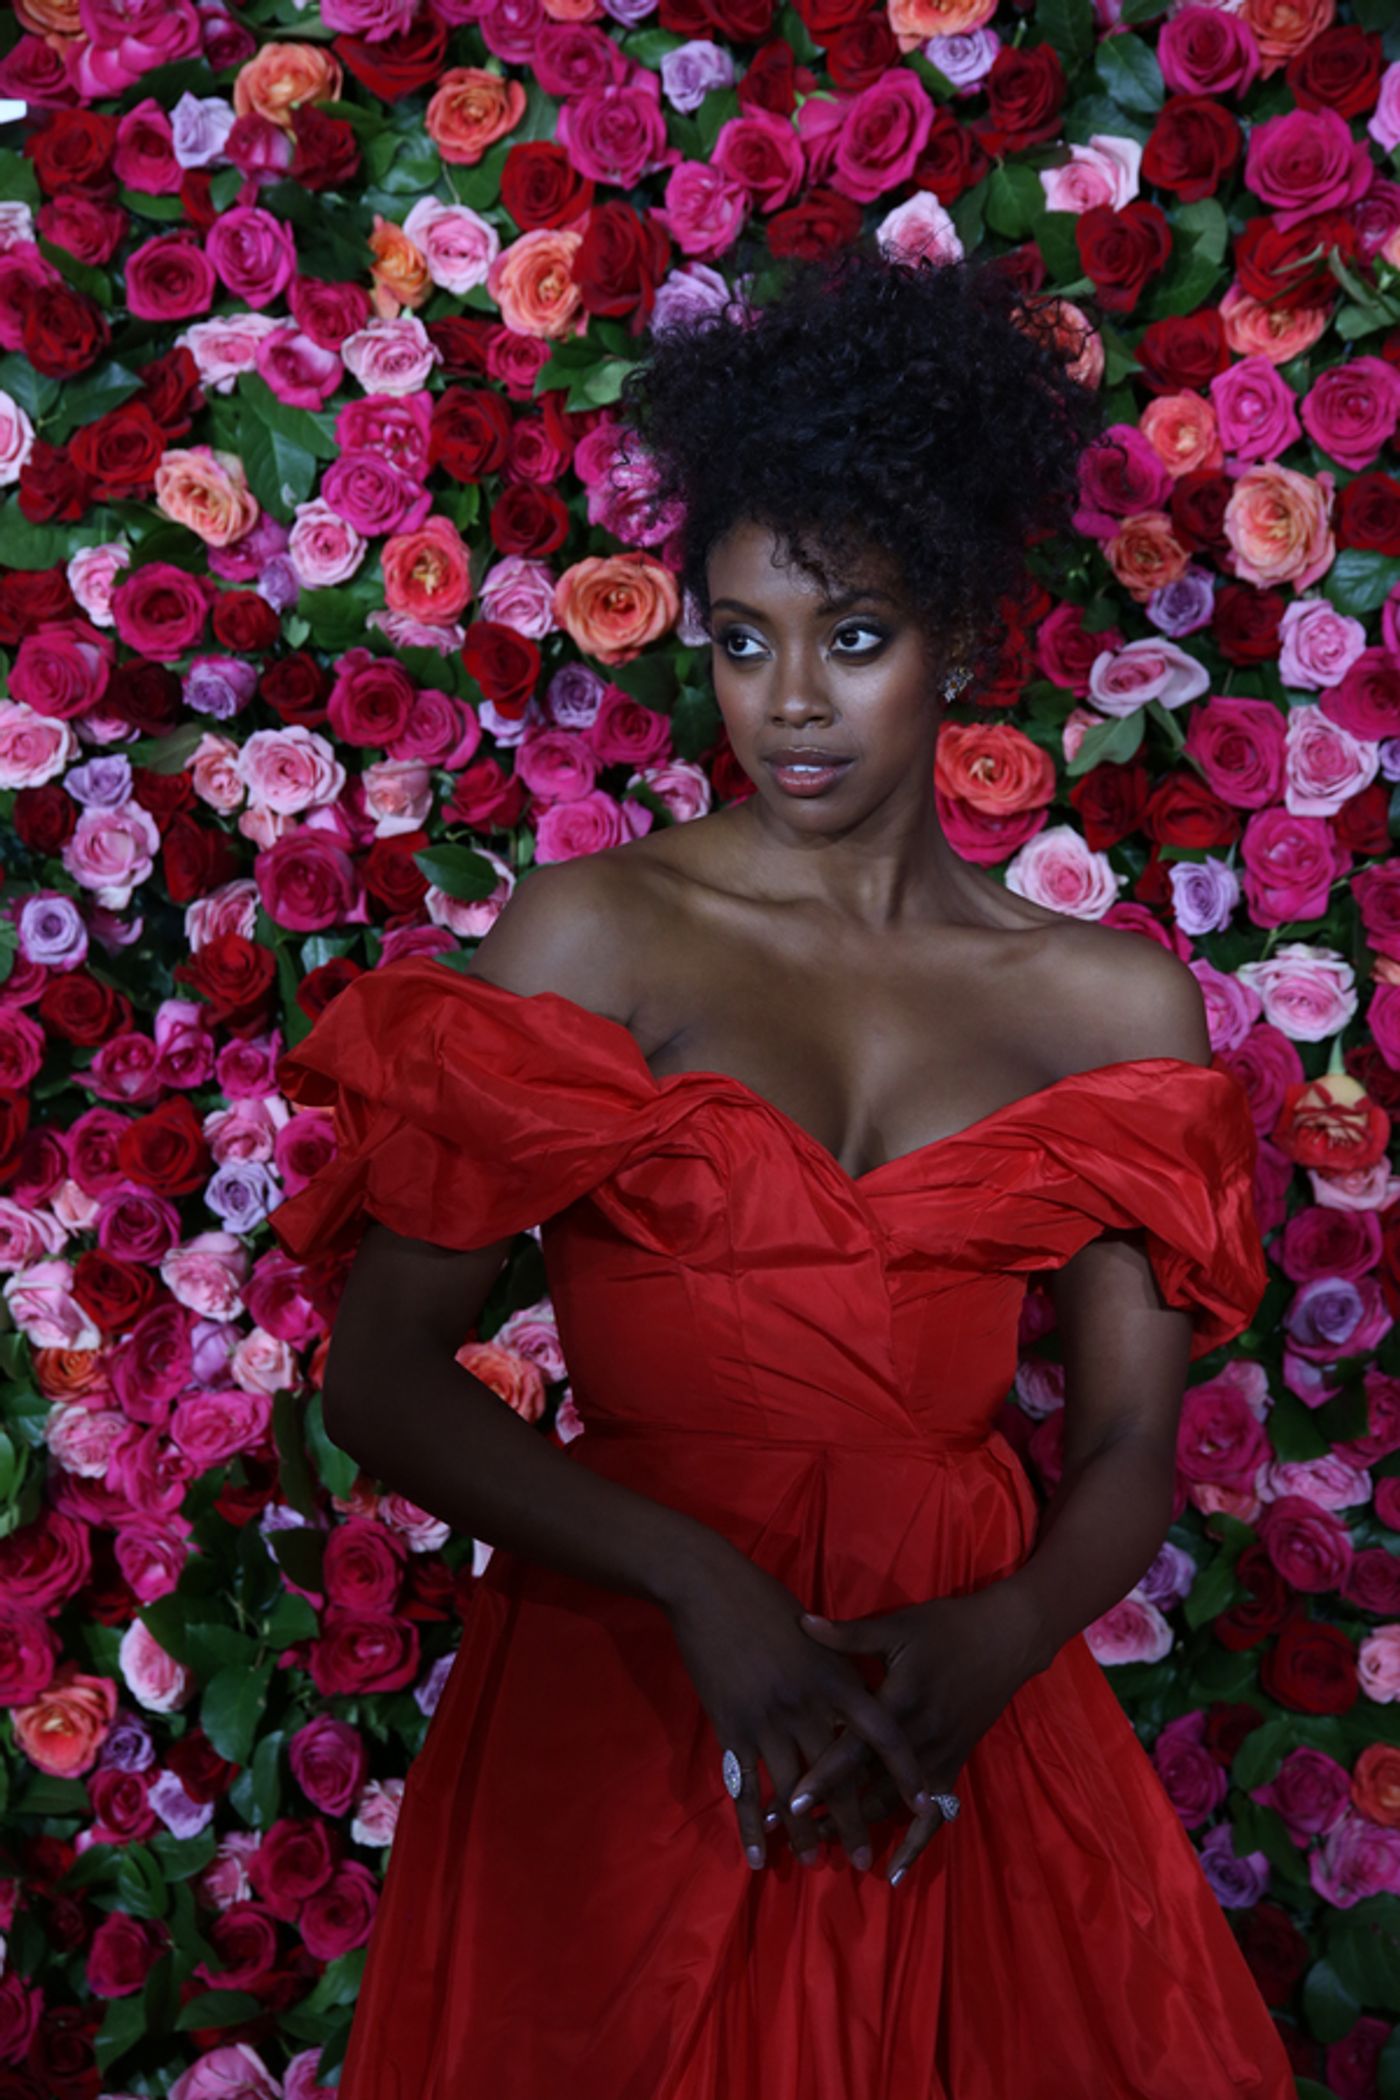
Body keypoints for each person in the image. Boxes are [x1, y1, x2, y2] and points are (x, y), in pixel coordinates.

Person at [271, 248, 1296, 2097]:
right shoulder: (602, 935)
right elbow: (384, 1373)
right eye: (744, 639)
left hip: (951, 1708)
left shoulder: (1107, 997)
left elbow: (1133, 1449)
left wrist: (996, 1637)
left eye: (854, 633)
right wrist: (705, 1590)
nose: (792, 701)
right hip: (626, 1694)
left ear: (967, 637)